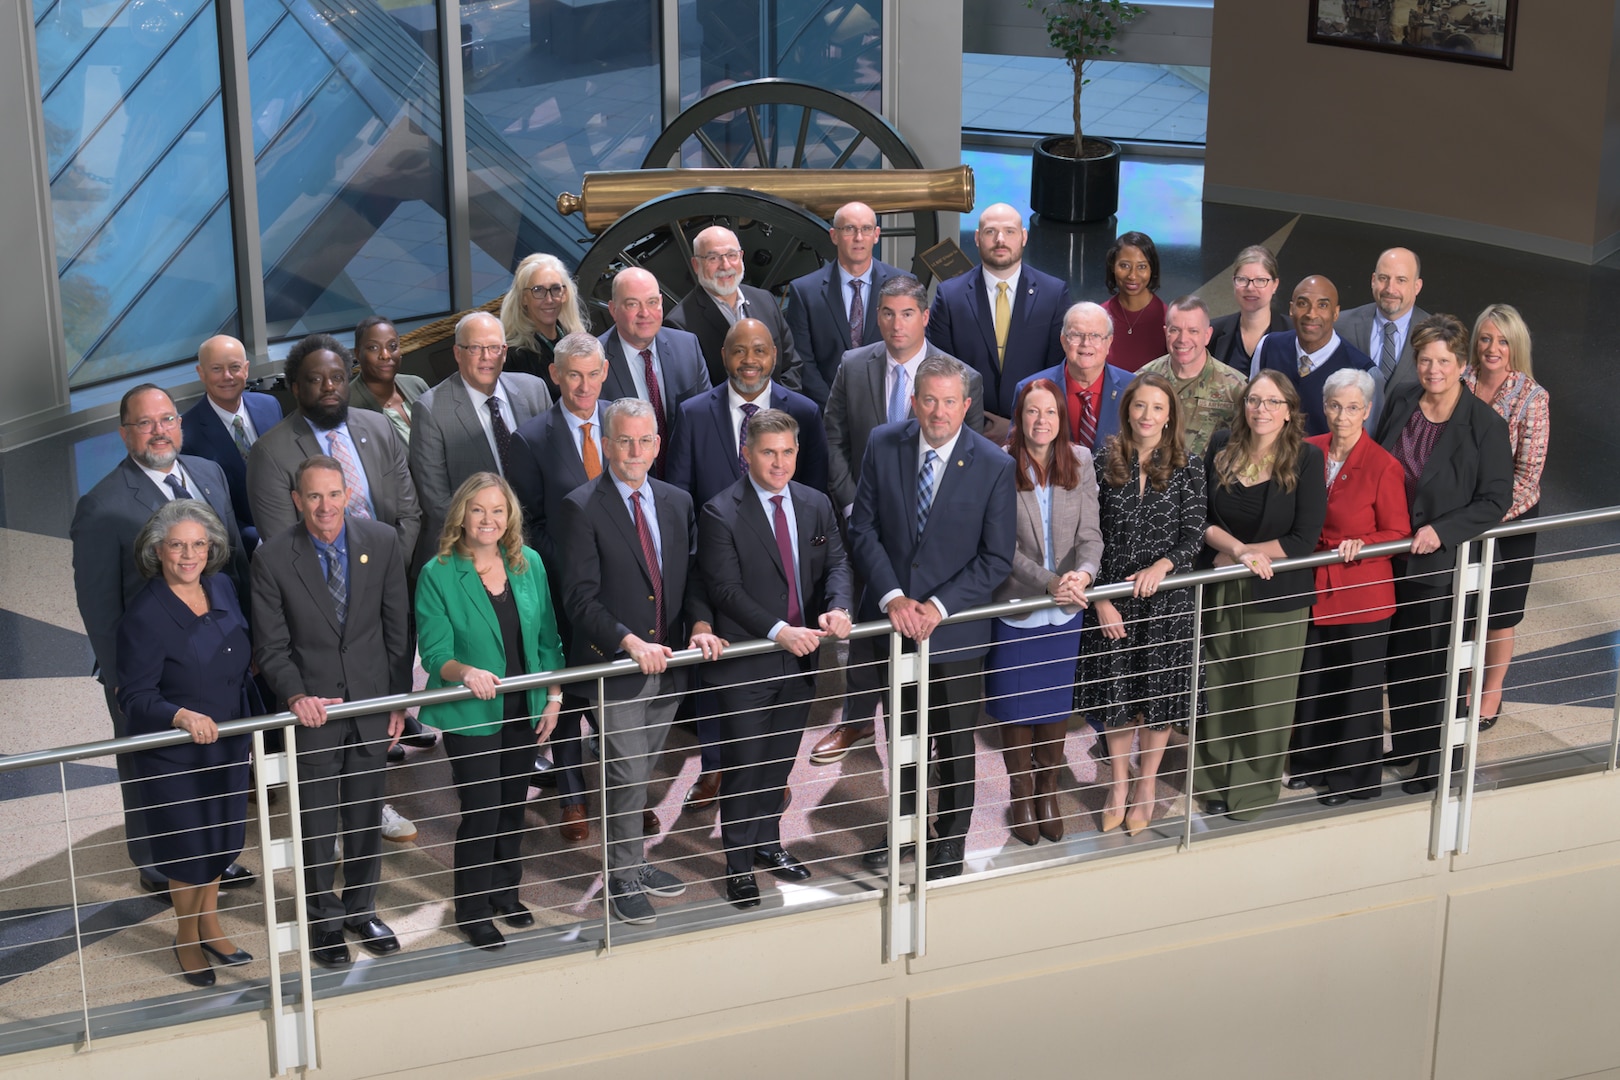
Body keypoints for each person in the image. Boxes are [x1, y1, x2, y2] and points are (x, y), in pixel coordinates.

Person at [72, 384, 254, 897]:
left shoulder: (208, 473)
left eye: (167, 419)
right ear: (125, 432)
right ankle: (156, 859)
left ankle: (211, 856)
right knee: (151, 760)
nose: (159, 431)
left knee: (215, 758)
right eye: (145, 423)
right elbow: (99, 604)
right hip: (151, 665)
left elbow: (234, 561)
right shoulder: (102, 505)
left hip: (216, 649)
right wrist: (120, 678)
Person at [850, 355, 1016, 879]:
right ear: (914, 401)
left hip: (956, 631)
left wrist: (937, 607)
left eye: (950, 401)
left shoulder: (994, 464)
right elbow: (863, 529)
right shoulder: (883, 443)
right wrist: (895, 598)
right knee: (902, 739)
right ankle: (904, 830)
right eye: (929, 400)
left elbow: (996, 558)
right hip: (894, 626)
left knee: (954, 742)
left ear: (966, 406)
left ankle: (949, 841)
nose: (939, 411)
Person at [560, 399, 725, 926]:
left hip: (671, 664)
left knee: (641, 772)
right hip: (617, 667)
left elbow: (693, 577)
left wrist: (699, 624)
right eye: (624, 441)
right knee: (627, 775)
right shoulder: (581, 507)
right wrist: (628, 642)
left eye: (645, 440)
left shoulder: (676, 501)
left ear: (658, 445)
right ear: (606, 446)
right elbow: (580, 599)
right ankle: (624, 878)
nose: (635, 451)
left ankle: (633, 861)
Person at [813, 275, 985, 766]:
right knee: (870, 624)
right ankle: (855, 720)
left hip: (933, 536)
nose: (895, 323)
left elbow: (968, 467)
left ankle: (921, 728)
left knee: (918, 629)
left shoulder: (962, 378)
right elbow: (835, 437)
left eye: (907, 313)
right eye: (886, 313)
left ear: (925, 317)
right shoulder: (853, 364)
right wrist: (850, 502)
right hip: (866, 523)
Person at [252, 456, 415, 967]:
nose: (325, 506)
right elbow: (272, 646)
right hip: (313, 713)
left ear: (348, 495)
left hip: (371, 707)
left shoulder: (382, 542)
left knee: (365, 819)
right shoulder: (273, 558)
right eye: (313, 497)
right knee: (318, 824)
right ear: (297, 501)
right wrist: (296, 695)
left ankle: (361, 909)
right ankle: (324, 921)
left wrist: (397, 700)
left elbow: (397, 629)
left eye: (333, 494)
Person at [664, 316, 830, 810]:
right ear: (724, 356)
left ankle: (768, 774)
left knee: (778, 698)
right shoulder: (693, 413)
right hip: (711, 570)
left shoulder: (804, 411)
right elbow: (678, 495)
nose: (750, 360)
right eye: (740, 351)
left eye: (760, 349)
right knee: (718, 682)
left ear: (775, 355)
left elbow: (813, 493)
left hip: (783, 568)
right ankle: (717, 767)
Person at [698, 409, 853, 908]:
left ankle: (767, 842)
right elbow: (724, 589)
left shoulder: (814, 503)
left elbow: (837, 563)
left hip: (803, 659)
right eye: (769, 452)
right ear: (747, 455)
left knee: (779, 762)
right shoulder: (720, 511)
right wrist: (779, 631)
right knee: (745, 766)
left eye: (788, 451)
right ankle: (738, 864)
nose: (780, 462)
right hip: (749, 662)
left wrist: (838, 605)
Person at [415, 474, 565, 951]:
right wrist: (466, 672)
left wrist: (555, 696)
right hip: (471, 710)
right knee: (481, 810)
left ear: (510, 516)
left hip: (525, 704)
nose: (488, 519)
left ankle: (505, 892)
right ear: (462, 514)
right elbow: (436, 655)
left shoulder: (528, 563)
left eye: (497, 510)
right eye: (478, 510)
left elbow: (547, 638)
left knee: (512, 807)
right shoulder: (438, 572)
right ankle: (473, 910)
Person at [116, 501, 255, 987]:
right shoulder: (145, 615)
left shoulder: (220, 585)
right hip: (176, 754)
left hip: (228, 742)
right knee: (189, 849)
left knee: (220, 840)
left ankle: (211, 925)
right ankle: (186, 938)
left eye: (199, 544)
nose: (189, 554)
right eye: (178, 545)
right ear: (158, 551)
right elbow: (133, 695)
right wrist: (179, 715)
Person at [1376, 315, 1512, 793]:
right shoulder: (1402, 398)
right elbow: (1378, 459)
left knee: (1436, 663)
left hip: (1439, 563)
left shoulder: (1485, 424)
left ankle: (1437, 762)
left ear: (1462, 364)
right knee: (1399, 659)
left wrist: (1442, 529)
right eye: (1425, 360)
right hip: (1390, 554)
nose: (1433, 370)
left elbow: (1497, 499)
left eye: (1444, 361)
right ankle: (1410, 745)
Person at [1079, 373, 1207, 835]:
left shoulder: (1188, 465)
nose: (1147, 416)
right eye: (1139, 406)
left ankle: (1146, 785)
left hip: (1165, 603)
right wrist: (1100, 602)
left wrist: (1163, 566)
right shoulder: (1099, 462)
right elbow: (1088, 537)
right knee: (1116, 697)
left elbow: (1194, 537)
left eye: (1157, 408)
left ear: (1169, 414)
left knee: (1157, 698)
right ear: (1127, 410)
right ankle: (1117, 783)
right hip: (1113, 601)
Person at [1196, 371, 1327, 820]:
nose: (1262, 410)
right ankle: (1211, 780)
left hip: (1278, 593)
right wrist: (1236, 552)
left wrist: (1244, 556)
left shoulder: (1306, 459)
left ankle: (1252, 790)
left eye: (1273, 402)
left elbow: (1304, 537)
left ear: (1289, 410)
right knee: (1218, 689)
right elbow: (1200, 517)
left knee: (1265, 696)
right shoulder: (1220, 445)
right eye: (1254, 400)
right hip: (1221, 587)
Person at [985, 379, 1101, 845]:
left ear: (1061, 417)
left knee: (1054, 704)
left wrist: (1084, 575)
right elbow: (1000, 547)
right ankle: (1021, 789)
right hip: (1018, 604)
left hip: (1066, 608)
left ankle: (1048, 788)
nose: (1041, 421)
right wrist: (1049, 582)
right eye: (1032, 412)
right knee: (1016, 706)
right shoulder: (998, 463)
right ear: (1019, 416)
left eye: (1050, 412)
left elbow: (1091, 534)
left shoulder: (1081, 460)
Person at [507, 332, 612, 842]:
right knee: (567, 695)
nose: (583, 385)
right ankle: (573, 797)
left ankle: (623, 800)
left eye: (593, 374)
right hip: (562, 590)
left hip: (624, 590)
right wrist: (578, 565)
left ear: (605, 372)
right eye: (574, 374)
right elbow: (525, 524)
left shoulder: (624, 423)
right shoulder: (530, 438)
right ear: (555, 375)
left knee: (616, 698)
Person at [1289, 369, 1411, 805]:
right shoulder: (1307, 451)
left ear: (1368, 410)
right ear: (1324, 407)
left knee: (1358, 689)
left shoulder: (1384, 465)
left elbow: (1399, 532)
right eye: (1335, 406)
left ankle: (1353, 780)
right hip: (1317, 588)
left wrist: (1364, 543)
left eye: (1353, 407)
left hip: (1363, 592)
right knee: (1316, 679)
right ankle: (1310, 764)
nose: (1343, 416)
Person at [247, 333, 421, 557]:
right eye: (316, 380)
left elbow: (408, 513)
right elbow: (286, 547)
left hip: (394, 568)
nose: (329, 386)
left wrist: (392, 568)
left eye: (337, 378)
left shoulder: (379, 427)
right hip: (325, 584)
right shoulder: (269, 453)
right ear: (296, 388)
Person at [408, 311, 553, 570]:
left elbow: (553, 469)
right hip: (472, 552)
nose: (487, 357)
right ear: (457, 353)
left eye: (494, 348)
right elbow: (437, 502)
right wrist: (493, 542)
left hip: (541, 542)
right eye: (475, 348)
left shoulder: (534, 390)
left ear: (505, 351)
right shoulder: (431, 409)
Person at [1463, 304, 1550, 730]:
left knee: (1501, 611)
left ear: (1515, 346)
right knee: (1461, 607)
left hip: (1509, 520)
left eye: (1502, 340)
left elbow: (1528, 476)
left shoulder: (1532, 397)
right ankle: (1459, 683)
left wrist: (1481, 518)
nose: (1492, 348)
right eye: (1485, 338)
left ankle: (1490, 693)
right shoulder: (1458, 381)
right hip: (1459, 515)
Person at [926, 202, 1069, 441]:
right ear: (977, 238)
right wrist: (977, 422)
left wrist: (1017, 423)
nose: (1000, 239)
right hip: (967, 431)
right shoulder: (949, 296)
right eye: (990, 231)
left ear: (1023, 237)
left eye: (1009, 231)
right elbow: (940, 368)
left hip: (1034, 432)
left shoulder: (1053, 293)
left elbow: (1058, 369)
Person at [784, 201, 903, 407]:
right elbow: (803, 361)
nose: (858, 237)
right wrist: (836, 407)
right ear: (834, 235)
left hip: (889, 409)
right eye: (849, 229)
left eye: (865, 229)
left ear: (876, 235)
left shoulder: (903, 284)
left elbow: (910, 350)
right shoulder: (804, 291)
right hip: (827, 414)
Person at [599, 266, 712, 476]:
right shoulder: (595, 361)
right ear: (613, 310)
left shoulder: (688, 346)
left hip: (687, 481)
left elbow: (707, 419)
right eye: (633, 304)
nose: (645, 313)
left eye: (652, 302)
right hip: (625, 485)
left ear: (661, 302)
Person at [665, 224, 803, 391]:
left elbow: (791, 366)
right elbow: (694, 392)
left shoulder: (765, 300)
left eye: (732, 255)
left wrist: (778, 410)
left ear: (741, 256)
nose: (725, 265)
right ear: (695, 264)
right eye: (713, 258)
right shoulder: (679, 325)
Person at [180, 334, 282, 551]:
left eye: (234, 367)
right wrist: (259, 541)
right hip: (243, 551)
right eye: (216, 369)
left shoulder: (270, 406)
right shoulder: (186, 434)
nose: (227, 376)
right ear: (201, 373)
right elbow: (204, 511)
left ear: (246, 369)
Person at [1251, 275, 1377, 436]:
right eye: (1303, 304)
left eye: (1322, 305)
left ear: (1336, 313)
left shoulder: (1361, 370)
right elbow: (1251, 409)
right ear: (1291, 309)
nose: (1311, 314)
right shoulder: (1268, 347)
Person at [1016, 301, 1133, 455]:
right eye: (1077, 335)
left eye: (1095, 336)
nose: (1086, 343)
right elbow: (1018, 451)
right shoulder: (1029, 389)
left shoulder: (1133, 388)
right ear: (1064, 341)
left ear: (1109, 342)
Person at [1139, 295, 1246, 457]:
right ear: (1165, 332)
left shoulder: (1236, 387)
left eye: (1193, 331)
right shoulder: (1141, 381)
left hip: (1210, 479)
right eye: (1175, 330)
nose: (1183, 339)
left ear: (1208, 335)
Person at [1334, 247, 1430, 400]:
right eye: (1383, 278)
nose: (1390, 289)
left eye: (1401, 280)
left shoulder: (1436, 333)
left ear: (1417, 286)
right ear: (1373, 280)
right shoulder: (1340, 326)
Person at [498, 252, 588, 398]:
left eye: (555, 289)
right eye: (538, 290)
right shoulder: (514, 358)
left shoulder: (574, 338)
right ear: (523, 298)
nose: (549, 299)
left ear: (565, 294)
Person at [348, 316, 430, 446]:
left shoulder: (416, 384)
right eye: (373, 348)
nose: (385, 355)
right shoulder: (349, 406)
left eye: (392, 346)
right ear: (358, 354)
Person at [1209, 246, 1289, 374]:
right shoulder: (1212, 332)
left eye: (1260, 280)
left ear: (1275, 285)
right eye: (1242, 279)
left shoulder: (1293, 333)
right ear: (1233, 283)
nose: (1250, 287)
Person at [1100, 231, 1168, 374]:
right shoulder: (1099, 318)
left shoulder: (1168, 320)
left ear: (1152, 269)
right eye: (1124, 266)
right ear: (1112, 266)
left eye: (1142, 267)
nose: (1132, 275)